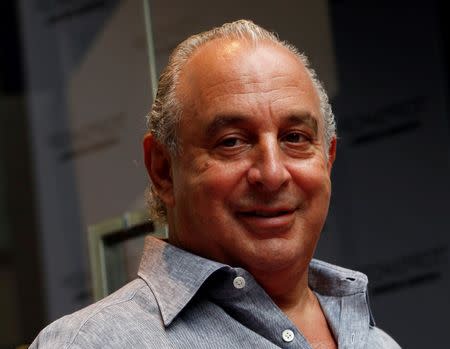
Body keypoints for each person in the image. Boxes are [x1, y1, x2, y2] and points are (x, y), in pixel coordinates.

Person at [31, 20, 400, 348]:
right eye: (232, 142)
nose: (272, 173)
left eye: (295, 138)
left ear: (327, 158)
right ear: (162, 170)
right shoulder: (91, 344)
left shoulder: (377, 343)